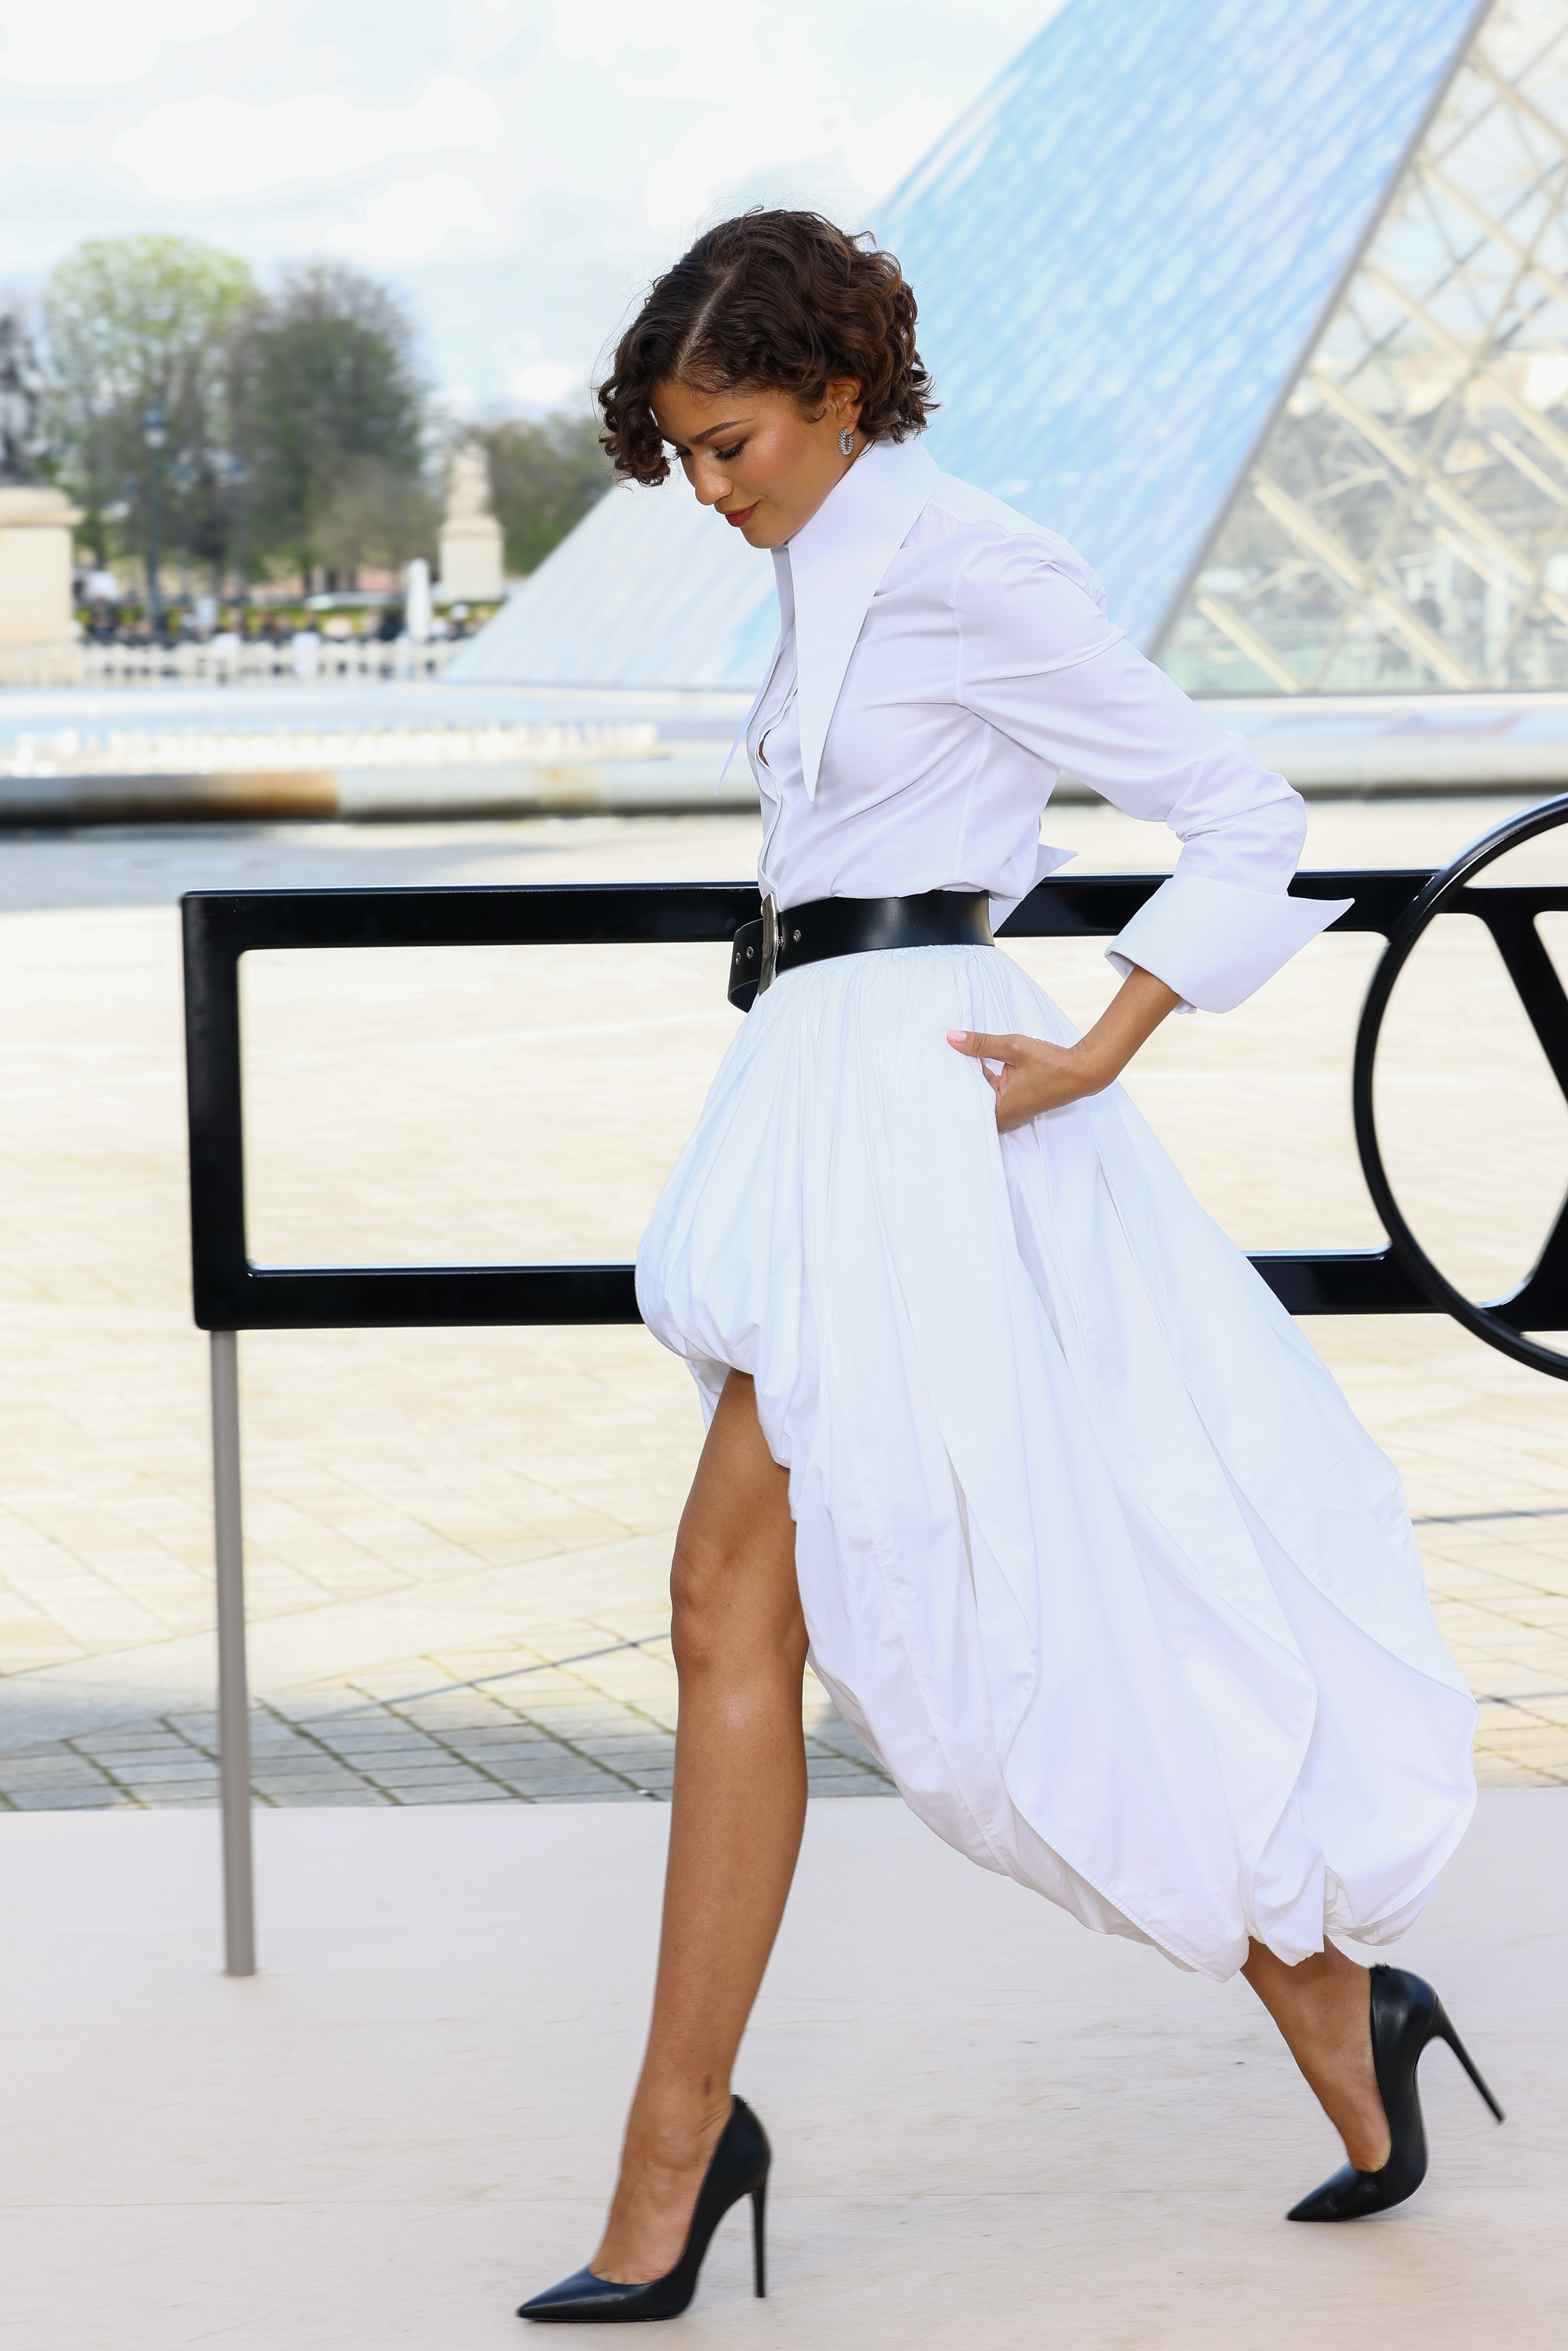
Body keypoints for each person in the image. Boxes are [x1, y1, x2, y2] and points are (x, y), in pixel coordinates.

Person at [518, 212, 1499, 2326]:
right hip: (822, 1102)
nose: (711, 487)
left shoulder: (966, 559)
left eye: (735, 439)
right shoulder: (821, 568)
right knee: (997, 1605)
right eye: (683, 453)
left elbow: (1238, 812)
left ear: (845, 387)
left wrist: (1100, 1045)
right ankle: (1337, 2010)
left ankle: (673, 2163)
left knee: (759, 1610)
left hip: (919, 1115)